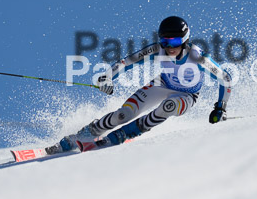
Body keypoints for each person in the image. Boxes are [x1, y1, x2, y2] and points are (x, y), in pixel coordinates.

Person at [46, 16, 232, 154]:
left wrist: (220, 108)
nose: (170, 47)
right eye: (165, 42)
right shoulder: (158, 50)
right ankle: (78, 137)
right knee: (123, 114)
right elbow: (127, 62)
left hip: (187, 96)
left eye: (175, 41)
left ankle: (122, 135)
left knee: (167, 107)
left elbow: (226, 78)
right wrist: (107, 77)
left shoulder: (197, 57)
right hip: (162, 83)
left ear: (185, 40)